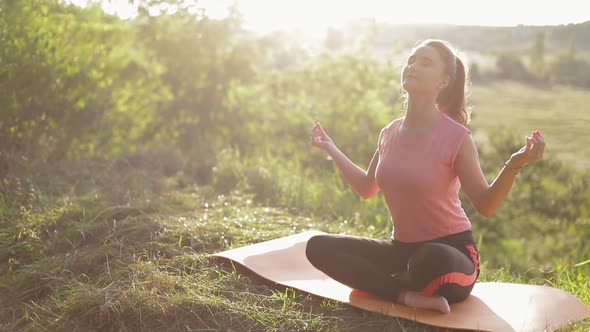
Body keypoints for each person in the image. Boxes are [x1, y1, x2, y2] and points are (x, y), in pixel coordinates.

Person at [305, 39, 545, 314]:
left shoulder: (456, 137)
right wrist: (331, 149)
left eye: (425, 62)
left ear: (443, 81)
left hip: (451, 255)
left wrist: (515, 164)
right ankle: (405, 295)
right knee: (318, 247)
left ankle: (392, 285)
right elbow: (365, 187)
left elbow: (486, 205)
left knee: (429, 257)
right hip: (401, 251)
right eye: (411, 60)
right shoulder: (389, 133)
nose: (413, 66)